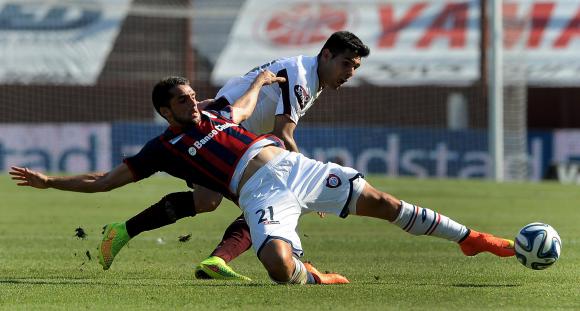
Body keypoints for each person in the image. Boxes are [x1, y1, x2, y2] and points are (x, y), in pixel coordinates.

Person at [11, 72, 515, 285]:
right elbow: (104, 180)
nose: (194, 100)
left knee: (382, 201)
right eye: (183, 99)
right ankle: (310, 275)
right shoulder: (162, 148)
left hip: (294, 167)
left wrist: (259, 82)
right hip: (256, 191)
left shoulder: (218, 116)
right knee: (277, 267)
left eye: (192, 94)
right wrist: (50, 182)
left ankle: (473, 239)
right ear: (166, 110)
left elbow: (247, 104)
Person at [91, 30, 371, 280]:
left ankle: (127, 232)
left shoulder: (308, 73)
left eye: (355, 67)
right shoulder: (301, 76)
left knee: (208, 200)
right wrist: (309, 180)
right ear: (326, 55)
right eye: (345, 64)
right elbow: (284, 134)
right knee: (270, 197)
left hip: (233, 130)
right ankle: (216, 258)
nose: (350, 72)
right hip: (229, 134)